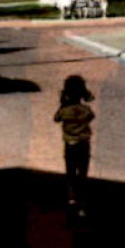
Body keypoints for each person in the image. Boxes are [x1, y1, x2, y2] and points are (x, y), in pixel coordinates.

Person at [53, 74, 95, 209]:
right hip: (83, 143)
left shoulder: (64, 111)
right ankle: (82, 199)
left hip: (70, 144)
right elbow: (91, 116)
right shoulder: (86, 110)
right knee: (82, 171)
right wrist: (86, 95)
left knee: (70, 171)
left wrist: (62, 103)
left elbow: (56, 118)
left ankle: (71, 197)